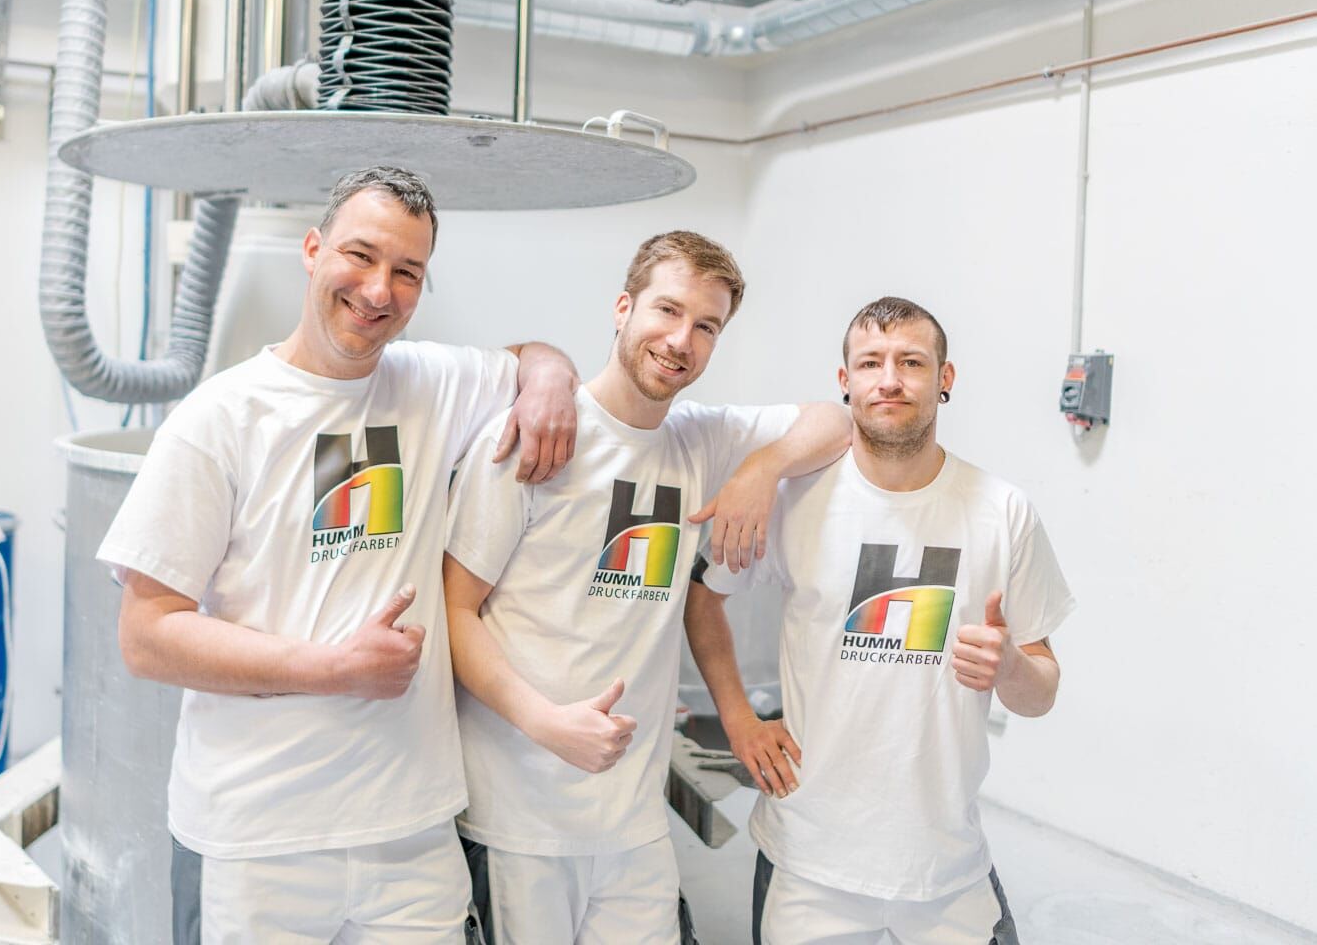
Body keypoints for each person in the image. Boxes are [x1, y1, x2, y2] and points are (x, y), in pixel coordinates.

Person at [97, 166, 581, 944]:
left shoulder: (430, 384)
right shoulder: (219, 418)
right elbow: (146, 635)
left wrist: (551, 380)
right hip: (258, 840)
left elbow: (529, 355)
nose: (378, 290)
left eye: (407, 272)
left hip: (412, 833)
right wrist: (334, 669)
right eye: (360, 255)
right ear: (313, 249)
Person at [442, 230, 852, 945]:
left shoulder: (701, 439)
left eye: (707, 326)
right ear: (623, 307)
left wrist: (763, 468)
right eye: (667, 310)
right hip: (520, 819)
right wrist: (544, 721)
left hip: (634, 825)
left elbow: (836, 420)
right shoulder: (533, 436)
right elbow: (455, 609)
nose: (681, 340)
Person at [685, 296, 1073, 945]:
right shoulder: (794, 499)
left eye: (911, 362)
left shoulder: (1003, 511)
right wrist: (739, 719)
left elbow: (1042, 692)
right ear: (845, 382)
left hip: (947, 869)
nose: (889, 380)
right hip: (808, 865)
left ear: (945, 378)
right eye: (870, 363)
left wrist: (1010, 667)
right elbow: (705, 598)